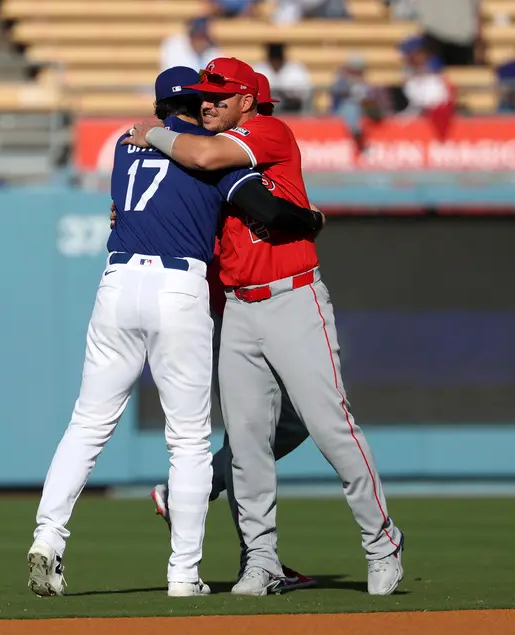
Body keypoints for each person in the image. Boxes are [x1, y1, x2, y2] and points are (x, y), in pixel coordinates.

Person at [26, 66, 324, 599]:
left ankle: (48, 536)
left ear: (159, 106)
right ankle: (183, 573)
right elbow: (258, 204)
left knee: (87, 424)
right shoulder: (209, 153)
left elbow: (137, 192)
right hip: (177, 285)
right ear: (199, 104)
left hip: (118, 281)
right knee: (188, 439)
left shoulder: (126, 146)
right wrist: (310, 220)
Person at [124, 57, 404, 597]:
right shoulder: (202, 159)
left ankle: (382, 542)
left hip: (292, 296)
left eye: (219, 95)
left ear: (248, 101)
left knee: (331, 427)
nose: (207, 102)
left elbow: (206, 154)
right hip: (238, 308)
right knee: (247, 444)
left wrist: (150, 132)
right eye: (204, 95)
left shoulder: (267, 132)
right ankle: (261, 560)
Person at [252, 43, 313, 113]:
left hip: (291, 108)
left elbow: (306, 92)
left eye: (278, 59)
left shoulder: (295, 69)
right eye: (273, 59)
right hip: (264, 108)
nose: (276, 62)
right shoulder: (260, 68)